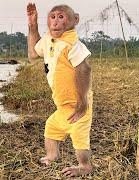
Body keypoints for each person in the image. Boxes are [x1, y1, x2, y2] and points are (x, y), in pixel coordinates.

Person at [27, 3, 93, 177]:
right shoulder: (49, 38)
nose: (55, 22)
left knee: (79, 137)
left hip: (78, 103)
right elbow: (33, 53)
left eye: (61, 17)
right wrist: (33, 26)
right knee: (51, 127)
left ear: (74, 20)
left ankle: (84, 166)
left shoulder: (72, 44)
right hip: (62, 105)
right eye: (53, 17)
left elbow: (85, 69)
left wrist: (82, 101)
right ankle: (52, 154)